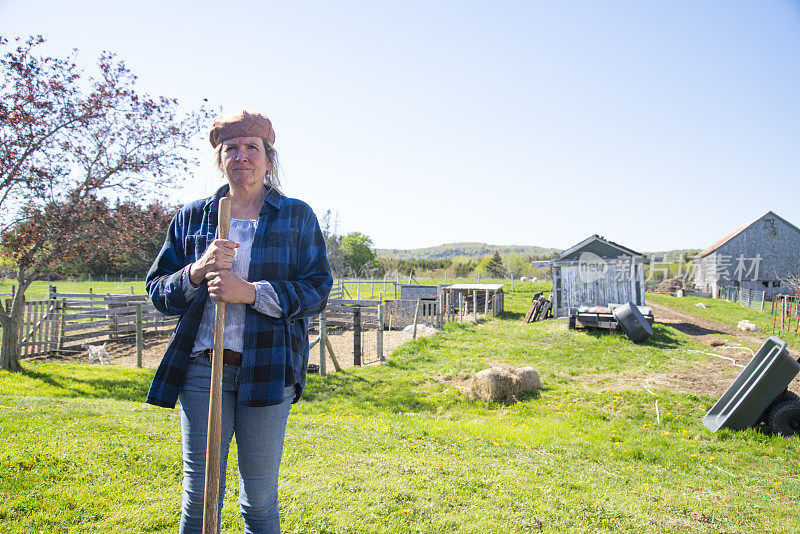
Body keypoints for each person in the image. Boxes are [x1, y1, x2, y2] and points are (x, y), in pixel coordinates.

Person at [145, 110, 332, 534]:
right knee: (200, 494)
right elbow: (157, 289)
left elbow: (317, 289)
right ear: (220, 158)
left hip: (268, 370)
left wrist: (249, 292)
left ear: (269, 158)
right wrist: (197, 271)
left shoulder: (296, 216)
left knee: (260, 497)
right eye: (232, 148)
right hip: (201, 369)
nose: (242, 156)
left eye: (253, 148)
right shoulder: (192, 217)